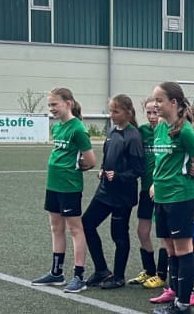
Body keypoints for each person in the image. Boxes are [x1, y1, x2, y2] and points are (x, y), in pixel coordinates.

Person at [148, 82, 194, 314]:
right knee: (170, 248)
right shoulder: (160, 128)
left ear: (173, 103)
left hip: (179, 198)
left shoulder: (186, 131)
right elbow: (161, 162)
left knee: (183, 250)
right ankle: (175, 294)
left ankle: (183, 304)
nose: (155, 105)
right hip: (161, 197)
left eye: (159, 100)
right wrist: (156, 183)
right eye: (154, 100)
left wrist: (186, 172)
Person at [32, 88, 96, 291]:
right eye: (49, 105)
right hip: (53, 184)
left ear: (68, 103)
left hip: (69, 186)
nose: (51, 108)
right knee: (55, 227)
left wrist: (72, 168)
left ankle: (79, 276)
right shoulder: (58, 127)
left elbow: (91, 160)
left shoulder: (78, 129)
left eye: (55, 104)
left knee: (75, 229)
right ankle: (56, 272)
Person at [82, 95, 146, 289]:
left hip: (122, 196)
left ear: (127, 112)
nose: (111, 115)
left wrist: (118, 176)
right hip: (105, 191)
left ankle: (118, 276)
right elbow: (107, 158)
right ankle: (101, 270)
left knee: (118, 235)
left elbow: (138, 170)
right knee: (87, 224)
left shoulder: (133, 136)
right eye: (110, 111)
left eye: (115, 111)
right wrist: (103, 170)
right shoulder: (112, 131)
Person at [128, 99, 166, 289]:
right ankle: (149, 270)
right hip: (146, 189)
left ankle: (162, 273)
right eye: (149, 112)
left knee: (164, 234)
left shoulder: (167, 131)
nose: (152, 117)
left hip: (164, 189)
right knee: (142, 231)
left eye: (155, 112)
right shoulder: (141, 132)